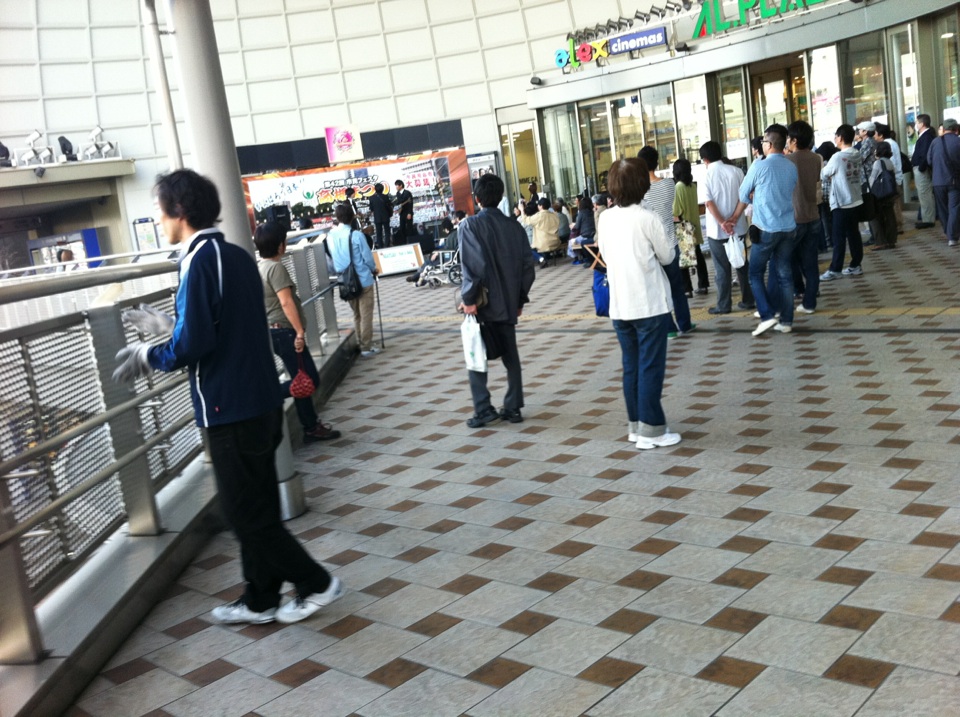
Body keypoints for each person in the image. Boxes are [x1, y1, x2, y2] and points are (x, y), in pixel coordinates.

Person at [114, 169, 342, 625]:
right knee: (257, 507)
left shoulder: (200, 261)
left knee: (243, 515)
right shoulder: (234, 255)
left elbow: (194, 343)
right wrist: (168, 327)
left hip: (229, 408)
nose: (158, 218)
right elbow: (222, 325)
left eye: (160, 209)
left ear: (180, 210)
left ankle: (316, 582)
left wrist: (148, 353)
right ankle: (261, 599)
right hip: (258, 401)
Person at [598, 158, 680, 450]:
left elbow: (604, 255)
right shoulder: (648, 218)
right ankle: (652, 431)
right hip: (649, 304)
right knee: (650, 368)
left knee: (631, 366)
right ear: (642, 185)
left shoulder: (605, 218)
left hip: (620, 305)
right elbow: (668, 256)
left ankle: (636, 426)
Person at [459, 173, 535, 428]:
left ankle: (483, 409)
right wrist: (519, 299)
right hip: (508, 303)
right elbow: (527, 267)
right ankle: (513, 407)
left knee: (476, 354)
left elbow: (473, 267)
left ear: (477, 198)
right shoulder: (515, 226)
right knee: (510, 356)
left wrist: (469, 299)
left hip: (482, 305)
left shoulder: (470, 226)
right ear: (501, 196)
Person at [253, 222, 341, 442]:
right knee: (309, 378)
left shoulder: (260, 267)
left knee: (300, 378)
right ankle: (264, 394)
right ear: (280, 245)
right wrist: (299, 332)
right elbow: (286, 302)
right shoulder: (275, 268)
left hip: (273, 331)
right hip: (285, 332)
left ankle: (310, 427)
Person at [724, 124, 798, 336]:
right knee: (785, 275)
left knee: (755, 273)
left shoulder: (759, 166)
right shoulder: (791, 166)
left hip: (766, 228)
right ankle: (786, 321)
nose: (762, 144)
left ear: (770, 144)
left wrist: (753, 198)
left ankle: (766, 315)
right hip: (788, 227)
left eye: (764, 141)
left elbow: (743, 194)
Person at [638, 145, 694, 339]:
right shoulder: (669, 184)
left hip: (651, 247)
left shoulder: (640, 191)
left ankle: (670, 328)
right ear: (656, 163)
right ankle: (685, 324)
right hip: (670, 243)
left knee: (658, 289)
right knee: (677, 287)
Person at [699, 141, 754, 315]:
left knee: (722, 269)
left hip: (717, 232)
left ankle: (724, 305)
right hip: (738, 228)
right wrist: (734, 218)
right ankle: (748, 300)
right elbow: (745, 197)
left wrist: (722, 222)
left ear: (705, 159)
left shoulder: (706, 176)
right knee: (742, 265)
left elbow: (709, 203)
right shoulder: (737, 171)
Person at [328, 203, 380, 356]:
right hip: (362, 279)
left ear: (337, 218)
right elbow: (367, 258)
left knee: (356, 314)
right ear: (352, 217)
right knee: (366, 315)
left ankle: (359, 342)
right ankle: (366, 346)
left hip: (345, 281)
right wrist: (373, 269)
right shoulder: (356, 235)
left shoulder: (331, 236)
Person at [784, 120, 822, 314]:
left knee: (787, 257)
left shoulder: (788, 160)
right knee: (811, 261)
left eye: (788, 139)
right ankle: (809, 302)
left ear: (794, 140)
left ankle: (797, 290)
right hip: (813, 215)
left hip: (795, 218)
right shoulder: (816, 158)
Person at [820, 124, 865, 280]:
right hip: (856, 199)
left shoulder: (837, 157)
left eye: (836, 136)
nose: (835, 139)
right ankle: (855, 265)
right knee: (854, 234)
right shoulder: (857, 154)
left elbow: (824, 173)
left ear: (840, 138)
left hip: (841, 202)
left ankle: (835, 269)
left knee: (838, 237)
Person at [672, 158, 708, 297]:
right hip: (694, 225)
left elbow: (676, 210)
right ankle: (703, 285)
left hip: (684, 226)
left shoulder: (679, 186)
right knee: (698, 256)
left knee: (684, 260)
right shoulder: (692, 186)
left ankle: (687, 289)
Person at [927, 117, 960, 247]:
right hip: (954, 181)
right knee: (954, 208)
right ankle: (952, 236)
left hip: (937, 181)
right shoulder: (958, 142)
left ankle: (948, 232)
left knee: (942, 209)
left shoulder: (935, 142)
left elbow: (929, 161)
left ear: (944, 129)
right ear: (956, 129)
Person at [407, 217, 459, 285]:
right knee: (430, 259)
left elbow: (448, 248)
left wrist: (437, 253)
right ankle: (416, 276)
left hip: (448, 257)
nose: (443, 231)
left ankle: (415, 277)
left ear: (446, 229)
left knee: (427, 262)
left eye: (444, 229)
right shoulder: (456, 233)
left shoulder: (451, 237)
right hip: (451, 255)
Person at [874, 123, 904, 232]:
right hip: (895, 177)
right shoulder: (892, 142)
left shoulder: (887, 144)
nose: (874, 135)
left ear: (881, 135)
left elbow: (891, 163)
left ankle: (897, 226)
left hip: (892, 178)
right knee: (895, 203)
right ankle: (897, 226)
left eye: (875, 133)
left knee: (894, 204)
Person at [869, 142, 898, 250]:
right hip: (889, 193)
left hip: (879, 194)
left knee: (875, 217)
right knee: (889, 216)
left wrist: (868, 191)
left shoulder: (878, 163)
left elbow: (872, 178)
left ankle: (880, 241)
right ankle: (891, 240)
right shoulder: (889, 162)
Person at [912, 113, 937, 229]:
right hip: (920, 169)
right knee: (924, 194)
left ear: (922, 124)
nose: (915, 125)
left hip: (922, 170)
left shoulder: (926, 137)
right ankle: (927, 218)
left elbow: (925, 154)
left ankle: (928, 219)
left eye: (917, 122)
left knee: (924, 194)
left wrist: (921, 167)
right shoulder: (925, 136)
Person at [520, 197, 562, 265]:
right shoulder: (554, 215)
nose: (537, 206)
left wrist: (522, 210)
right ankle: (545, 257)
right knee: (541, 245)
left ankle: (541, 259)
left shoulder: (539, 216)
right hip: (556, 242)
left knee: (527, 249)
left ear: (541, 206)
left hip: (544, 244)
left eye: (538, 205)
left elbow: (526, 220)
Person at [816, 141, 839, 250]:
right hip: (834, 193)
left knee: (825, 218)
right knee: (832, 218)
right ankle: (834, 238)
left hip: (824, 194)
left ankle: (828, 239)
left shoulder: (823, 163)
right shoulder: (834, 161)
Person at [569, 195, 596, 264]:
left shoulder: (581, 213)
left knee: (572, 242)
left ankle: (578, 258)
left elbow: (577, 226)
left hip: (585, 235)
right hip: (594, 235)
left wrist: (573, 226)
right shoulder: (592, 212)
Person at [368, 183, 392, 248]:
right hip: (385, 216)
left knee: (379, 233)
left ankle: (380, 246)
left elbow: (371, 208)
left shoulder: (372, 198)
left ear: (375, 189)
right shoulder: (385, 197)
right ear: (382, 189)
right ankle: (387, 245)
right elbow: (389, 205)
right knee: (387, 232)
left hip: (377, 217)